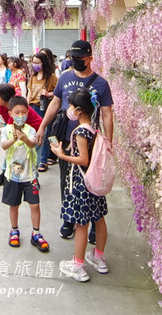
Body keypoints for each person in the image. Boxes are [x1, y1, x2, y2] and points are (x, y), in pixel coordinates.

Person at [36, 40, 113, 242]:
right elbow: (56, 102)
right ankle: (69, 219)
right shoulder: (65, 77)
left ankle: (96, 224)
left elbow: (106, 115)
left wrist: (109, 143)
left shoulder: (101, 84)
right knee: (67, 182)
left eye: (79, 58)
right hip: (66, 139)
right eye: (72, 58)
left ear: (90, 58)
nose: (75, 61)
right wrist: (43, 126)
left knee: (93, 183)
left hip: (91, 143)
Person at [49, 88, 108, 282]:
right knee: (98, 218)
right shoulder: (94, 128)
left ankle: (79, 265)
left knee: (82, 224)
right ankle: (98, 257)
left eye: (72, 107)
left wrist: (61, 155)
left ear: (79, 110)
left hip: (82, 184)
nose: (69, 110)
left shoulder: (81, 131)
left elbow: (83, 160)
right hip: (95, 182)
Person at [0, 96, 50, 253]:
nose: (21, 115)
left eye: (24, 112)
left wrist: (25, 138)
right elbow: (3, 146)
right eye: (17, 112)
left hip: (30, 176)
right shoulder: (7, 130)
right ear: (10, 113)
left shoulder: (31, 130)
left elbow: (33, 143)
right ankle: (14, 230)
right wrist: (13, 139)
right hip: (12, 176)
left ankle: (36, 233)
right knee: (14, 205)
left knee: (35, 205)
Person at [26, 51, 58, 172]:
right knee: (32, 134)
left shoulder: (51, 77)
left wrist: (48, 93)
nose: (35, 65)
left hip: (43, 108)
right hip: (32, 108)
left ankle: (43, 160)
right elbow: (29, 93)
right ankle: (35, 158)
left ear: (43, 63)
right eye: (33, 62)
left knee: (43, 134)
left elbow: (58, 92)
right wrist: (26, 105)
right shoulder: (33, 77)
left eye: (37, 63)